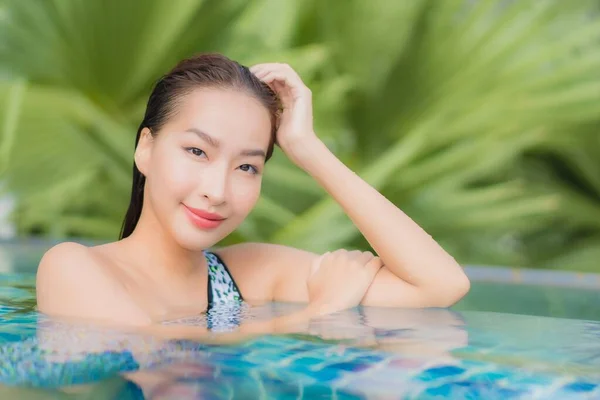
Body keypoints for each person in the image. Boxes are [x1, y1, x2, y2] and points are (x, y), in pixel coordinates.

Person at [35, 53, 470, 334]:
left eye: (247, 166)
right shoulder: (72, 267)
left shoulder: (251, 274)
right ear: (145, 148)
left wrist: (310, 151)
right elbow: (150, 358)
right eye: (197, 151)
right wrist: (318, 314)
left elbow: (440, 284)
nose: (218, 191)